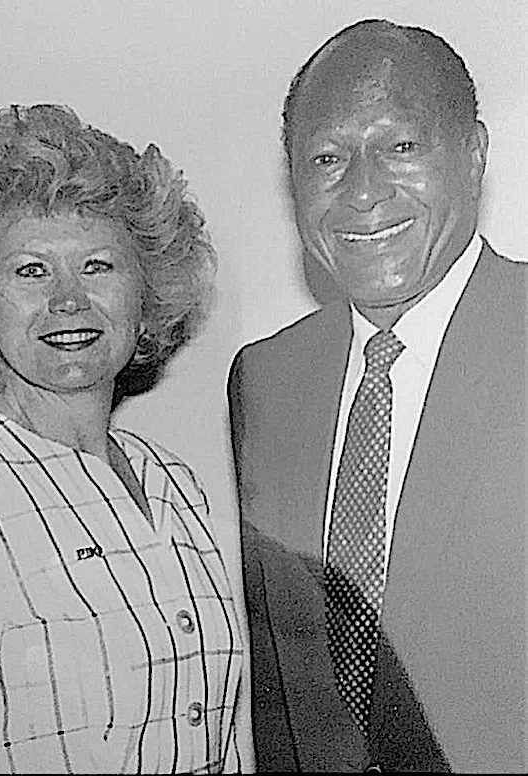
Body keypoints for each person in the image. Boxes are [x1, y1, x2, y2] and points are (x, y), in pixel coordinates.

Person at [0, 104, 245, 774]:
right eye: (31, 271)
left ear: (143, 298)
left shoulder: (174, 484)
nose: (68, 299)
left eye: (97, 266)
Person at [228, 19, 526, 774]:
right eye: (327, 158)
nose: (362, 191)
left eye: (401, 146)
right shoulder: (265, 380)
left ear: (473, 155)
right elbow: (283, 689)